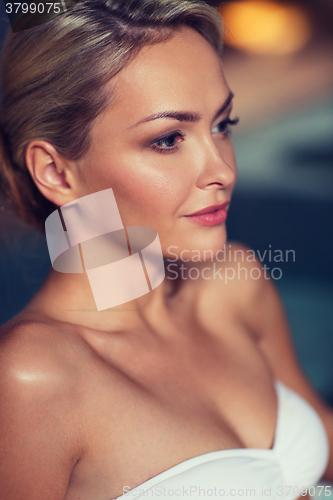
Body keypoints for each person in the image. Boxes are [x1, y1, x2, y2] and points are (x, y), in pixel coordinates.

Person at [0, 1, 332, 499]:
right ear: (56, 172)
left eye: (222, 125)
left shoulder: (234, 284)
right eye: (168, 139)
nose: (221, 169)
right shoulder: (30, 378)